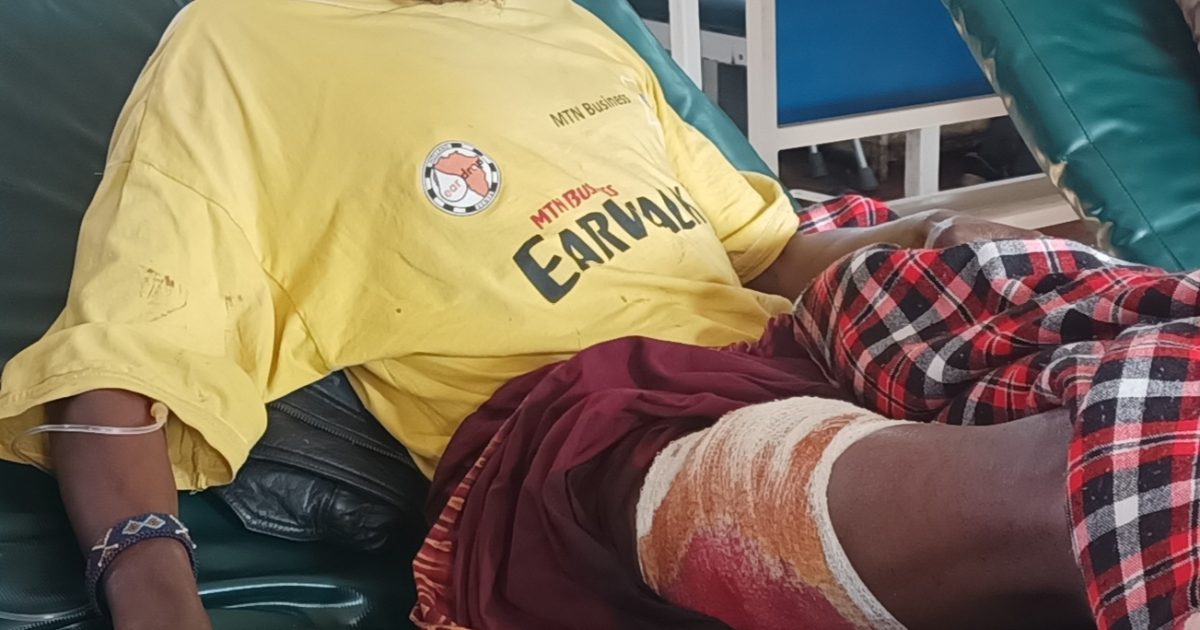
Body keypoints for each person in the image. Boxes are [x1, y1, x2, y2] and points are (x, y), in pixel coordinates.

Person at [0, 1, 1181, 629]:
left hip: (816, 343)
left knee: (1132, 335)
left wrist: (926, 236)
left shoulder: (571, 26)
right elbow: (119, 364)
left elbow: (769, 249)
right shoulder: (242, 43)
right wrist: (149, 590)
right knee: (1114, 471)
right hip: (594, 439)